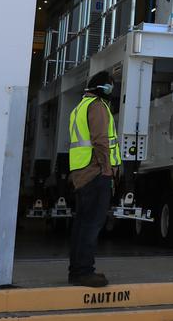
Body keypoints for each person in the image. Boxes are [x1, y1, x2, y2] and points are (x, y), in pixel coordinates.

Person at [68, 71, 121, 287]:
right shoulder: (97, 106)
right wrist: (107, 170)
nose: (112, 89)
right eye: (110, 85)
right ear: (101, 87)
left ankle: (77, 271)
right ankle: (84, 272)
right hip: (95, 173)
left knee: (82, 225)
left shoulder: (80, 107)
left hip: (81, 173)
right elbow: (100, 141)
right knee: (91, 225)